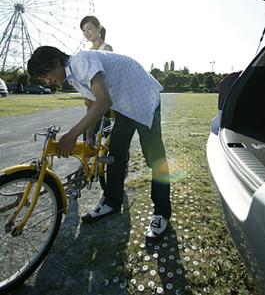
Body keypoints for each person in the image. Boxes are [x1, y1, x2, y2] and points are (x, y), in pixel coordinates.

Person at [27, 46, 171, 240]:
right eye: (43, 80)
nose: (47, 81)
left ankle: (162, 212)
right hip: (125, 104)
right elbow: (91, 104)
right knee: (114, 154)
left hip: (144, 96)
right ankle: (112, 201)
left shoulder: (81, 61)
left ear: (55, 62)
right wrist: (88, 135)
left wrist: (71, 135)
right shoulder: (72, 77)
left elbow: (104, 101)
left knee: (155, 157)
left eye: (45, 75)